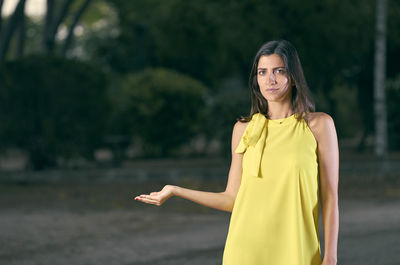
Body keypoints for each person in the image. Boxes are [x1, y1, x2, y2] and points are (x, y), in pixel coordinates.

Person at [134, 39, 339, 265]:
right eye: (262, 72)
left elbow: (330, 198)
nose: (270, 80)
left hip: (297, 250)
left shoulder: (319, 125)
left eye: (279, 71)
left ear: (293, 77)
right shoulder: (243, 129)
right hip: (245, 250)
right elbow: (231, 199)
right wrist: (176, 190)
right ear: (255, 79)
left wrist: (330, 256)